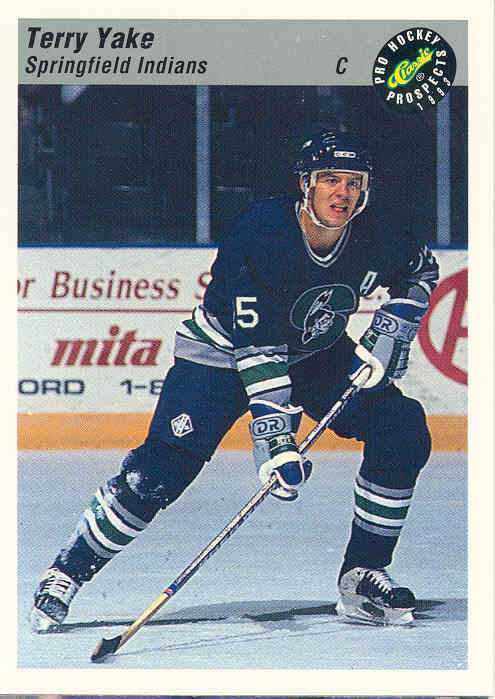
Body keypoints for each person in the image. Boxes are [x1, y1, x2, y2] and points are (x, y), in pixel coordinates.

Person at [31, 129, 439, 631]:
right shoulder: (261, 231)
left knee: (401, 428)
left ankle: (362, 576)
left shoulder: (379, 230)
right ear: (305, 184)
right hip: (221, 357)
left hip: (314, 353)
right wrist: (275, 441)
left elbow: (421, 271)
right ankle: (65, 574)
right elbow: (257, 346)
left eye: (354, 182)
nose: (343, 193)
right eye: (330, 179)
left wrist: (399, 317)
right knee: (159, 473)